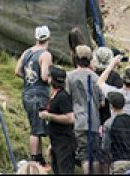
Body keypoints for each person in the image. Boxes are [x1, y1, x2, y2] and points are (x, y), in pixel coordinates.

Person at [16, 25, 54, 168]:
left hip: (27, 92)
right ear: (49, 37)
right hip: (39, 94)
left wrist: (28, 79)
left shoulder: (27, 52)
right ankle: (35, 160)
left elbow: (17, 70)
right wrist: (54, 80)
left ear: (36, 38)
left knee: (35, 126)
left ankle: (39, 159)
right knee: (36, 129)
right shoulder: (45, 55)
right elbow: (45, 76)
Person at [66, 44, 103, 173]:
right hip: (94, 121)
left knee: (84, 154)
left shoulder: (69, 76)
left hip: (78, 120)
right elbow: (102, 102)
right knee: (95, 153)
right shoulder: (96, 78)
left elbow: (66, 97)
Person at [39, 65, 76, 176]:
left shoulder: (62, 96)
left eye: (49, 75)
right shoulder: (54, 95)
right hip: (56, 142)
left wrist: (49, 116)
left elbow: (70, 118)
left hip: (65, 143)